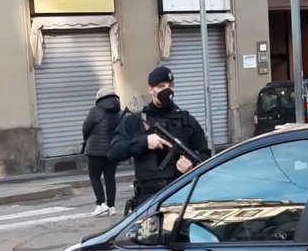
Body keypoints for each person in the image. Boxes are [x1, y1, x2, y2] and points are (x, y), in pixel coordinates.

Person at [108, 66, 212, 213]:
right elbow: (114, 151)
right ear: (151, 89)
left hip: (181, 195)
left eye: (170, 86)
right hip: (148, 199)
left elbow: (205, 154)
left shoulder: (187, 121)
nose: (167, 90)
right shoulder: (135, 121)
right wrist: (144, 142)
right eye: (161, 86)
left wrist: (192, 166)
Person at [81, 86, 123, 216]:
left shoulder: (95, 111)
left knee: (95, 177)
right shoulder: (119, 112)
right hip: (112, 150)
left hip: (95, 150)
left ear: (99, 98)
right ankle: (112, 206)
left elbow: (86, 127)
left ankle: (101, 204)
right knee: (110, 178)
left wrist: (86, 139)